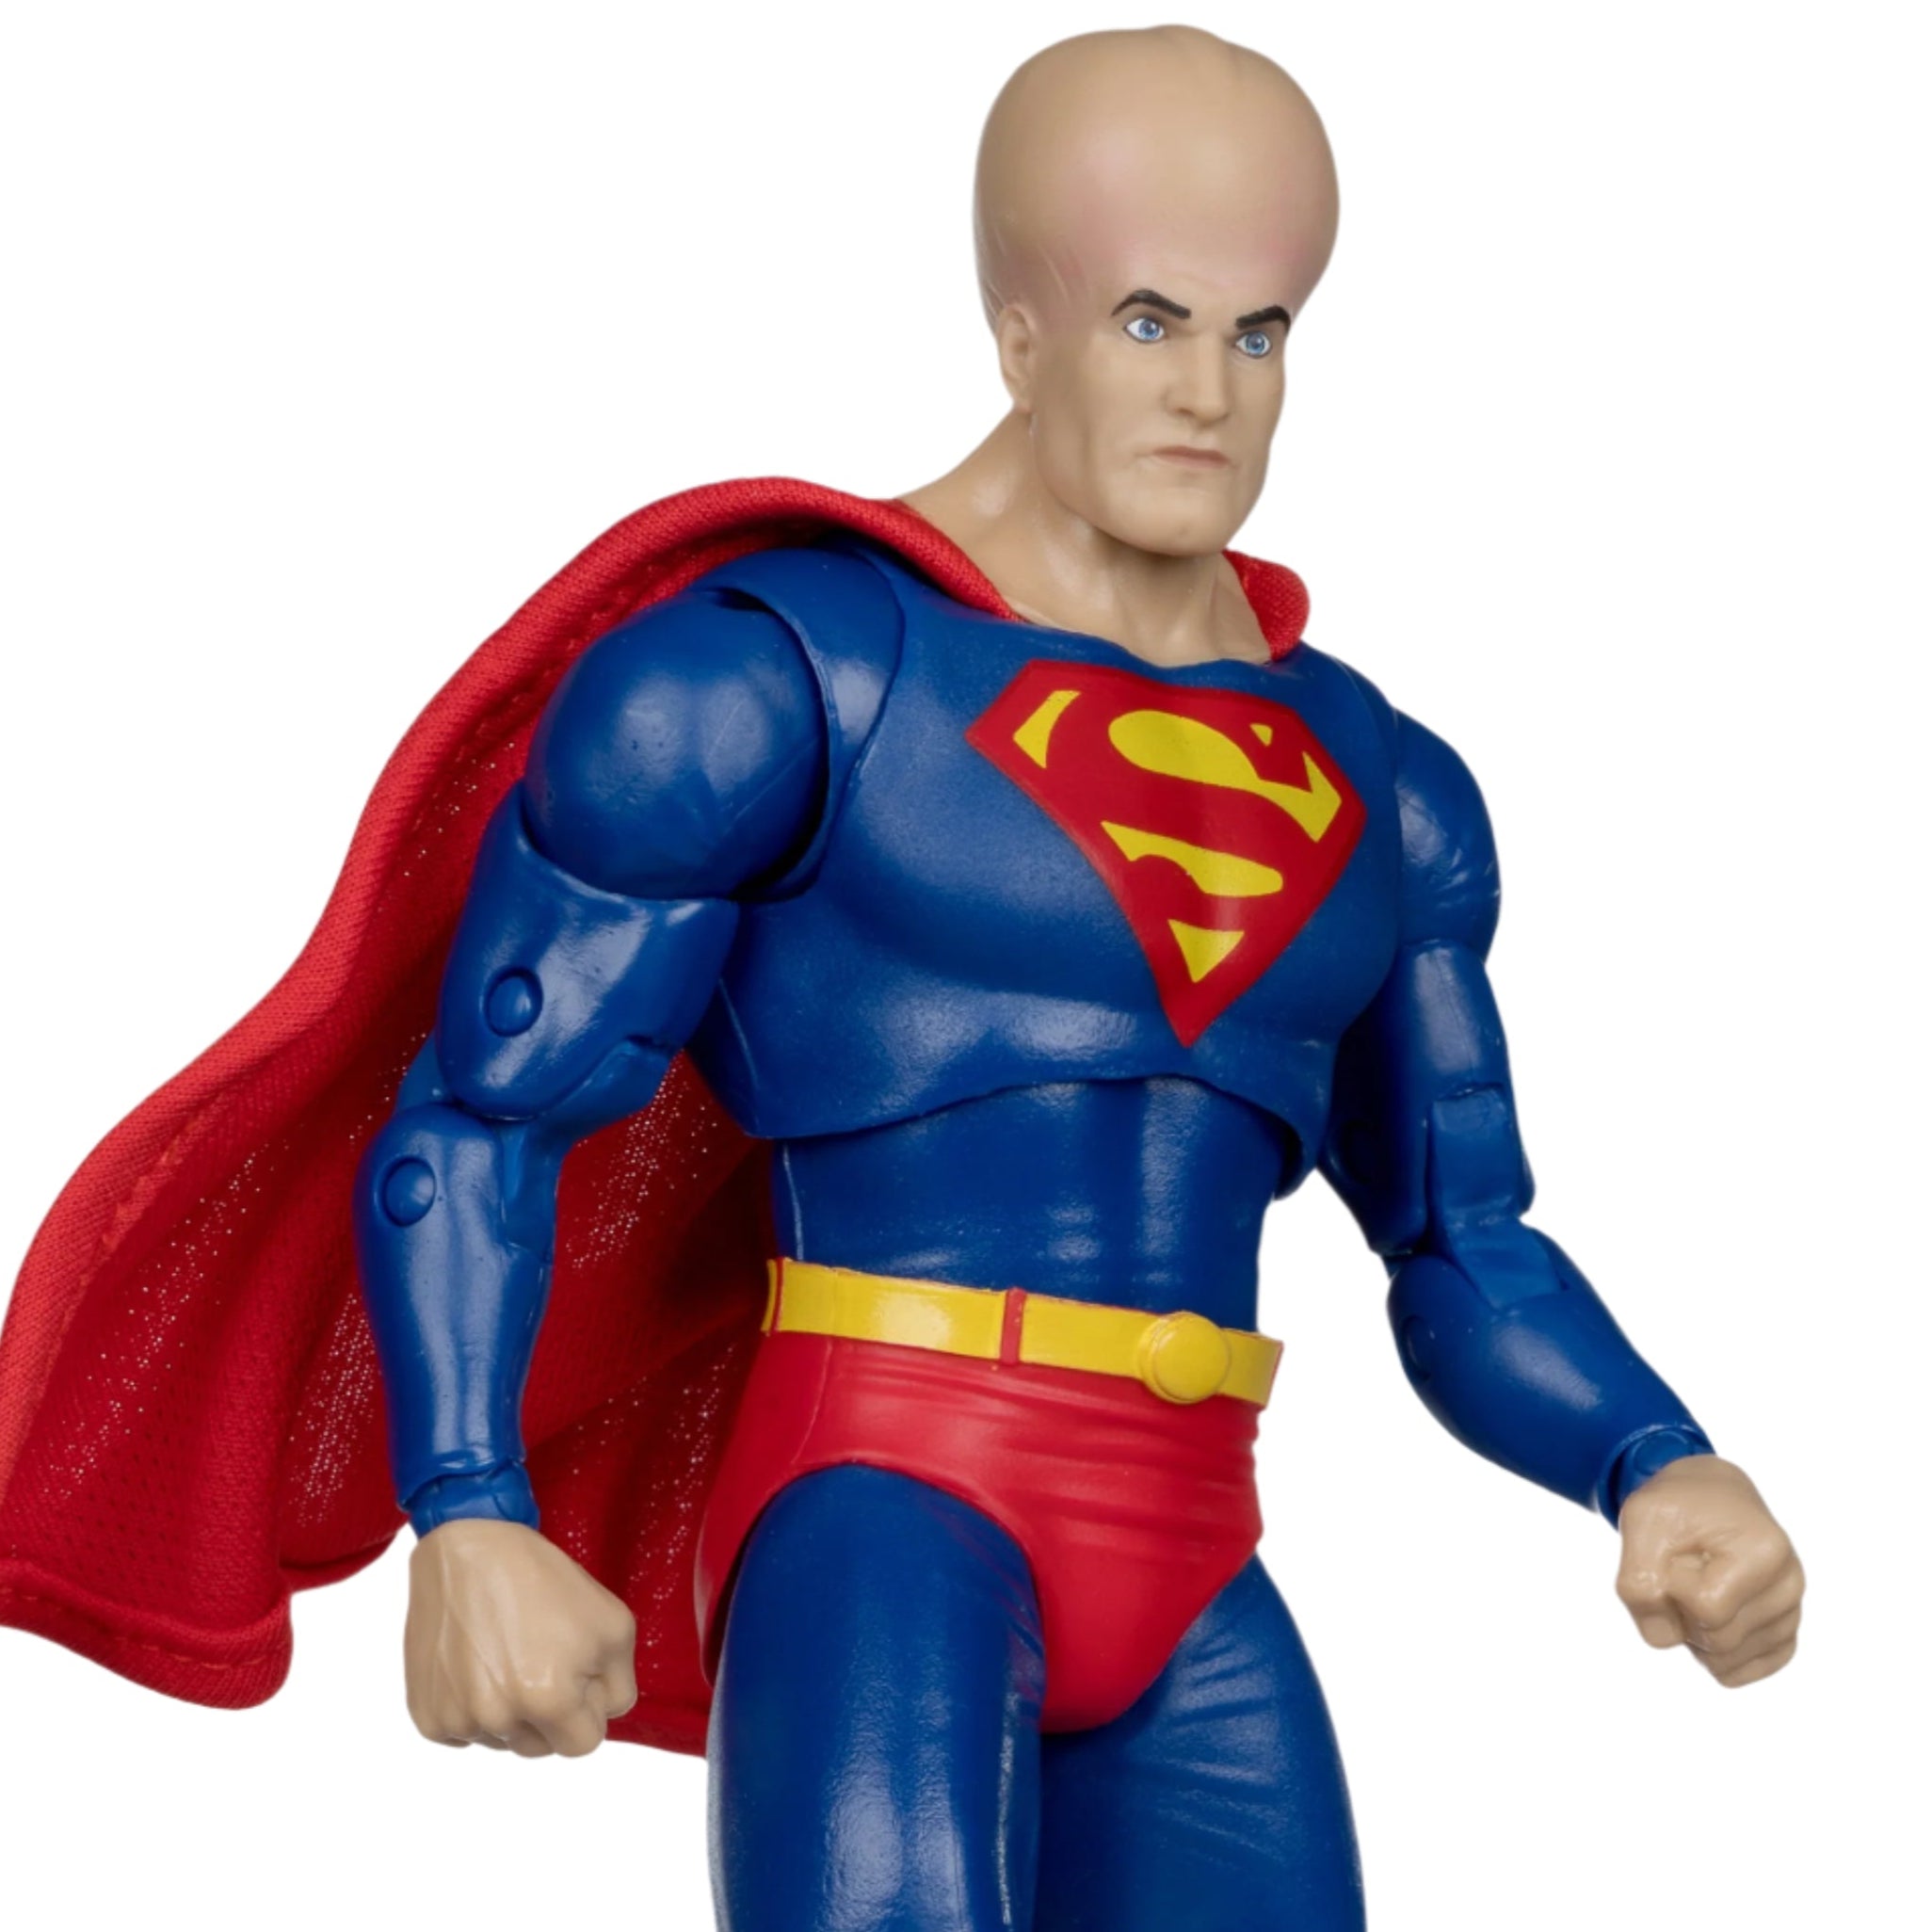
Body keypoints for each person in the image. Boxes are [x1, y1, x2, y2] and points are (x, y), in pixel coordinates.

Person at [0, 28, 1802, 1932]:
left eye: (1259, 332)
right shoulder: (781, 680)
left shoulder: (1382, 786)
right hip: (887, 1498)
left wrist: (1652, 1458)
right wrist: (468, 1507)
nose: (1208, 392)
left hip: (1193, 1539)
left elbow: (1462, 1236)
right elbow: (484, 1119)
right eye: (1149, 321)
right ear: (1019, 330)